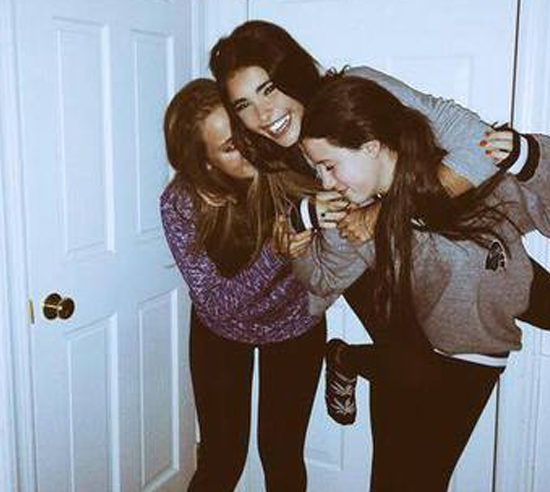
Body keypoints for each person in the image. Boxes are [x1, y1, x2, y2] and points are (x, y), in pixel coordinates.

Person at [296, 73, 550, 491]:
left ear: (371, 146)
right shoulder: (354, 219)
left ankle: (348, 359)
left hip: (478, 355)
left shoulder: (464, 175)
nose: (326, 183)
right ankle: (348, 359)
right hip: (414, 353)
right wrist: (298, 241)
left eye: (329, 166)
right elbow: (321, 284)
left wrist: (530, 157)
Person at [160, 78, 327, 491]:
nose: (250, 148)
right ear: (206, 163)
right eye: (231, 147)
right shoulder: (181, 203)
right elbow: (216, 303)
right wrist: (277, 250)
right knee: (222, 460)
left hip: (295, 328)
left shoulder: (291, 166)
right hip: (221, 333)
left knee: (282, 455)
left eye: (244, 133)